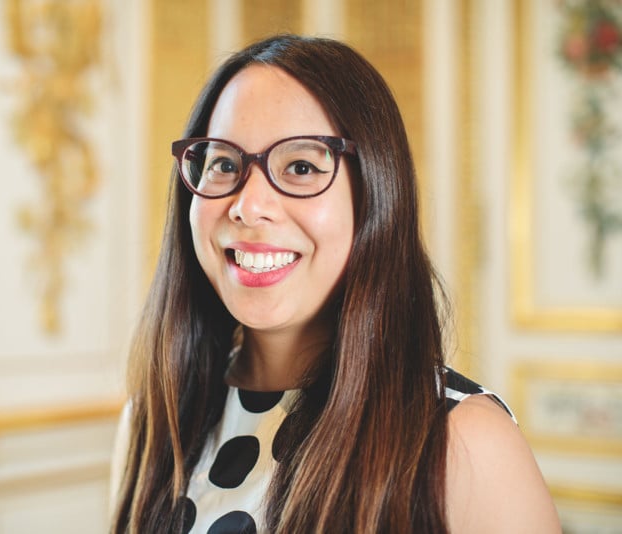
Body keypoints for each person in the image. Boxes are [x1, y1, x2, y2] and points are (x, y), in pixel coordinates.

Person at [110, 34, 561, 533]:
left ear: (375, 195)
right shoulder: (154, 422)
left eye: (301, 166)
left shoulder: (462, 442)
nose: (248, 204)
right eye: (224, 164)